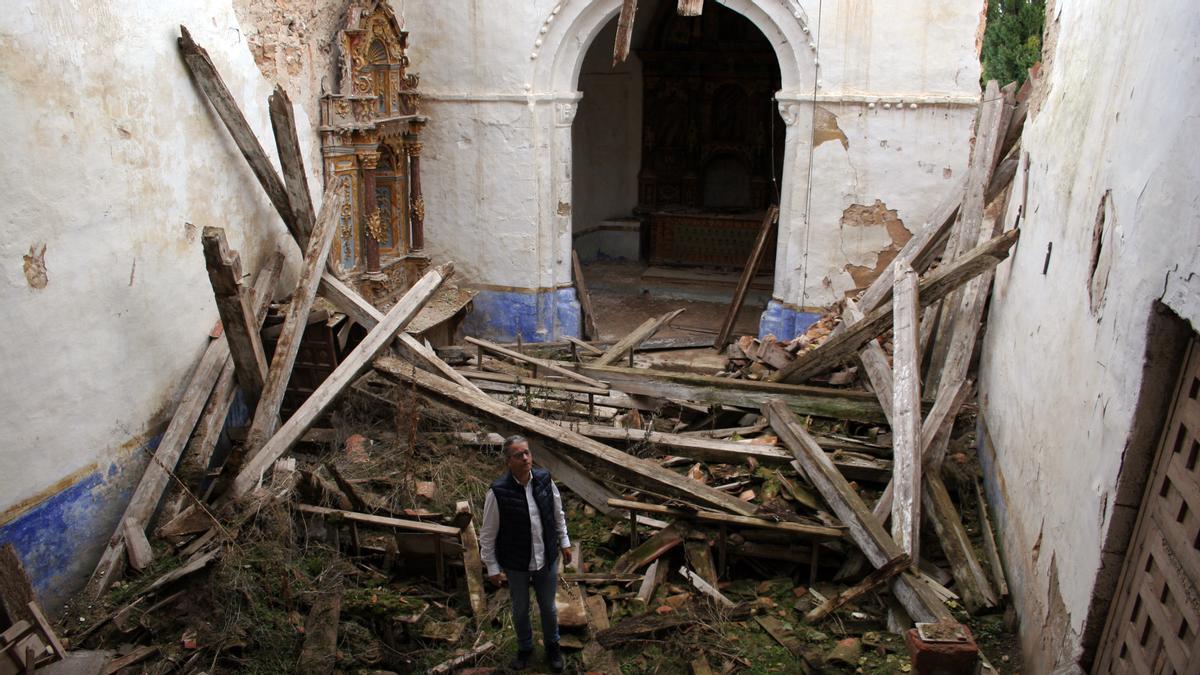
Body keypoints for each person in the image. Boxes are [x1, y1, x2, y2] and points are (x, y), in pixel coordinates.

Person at [479, 435, 572, 672]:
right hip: (516, 562)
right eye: (518, 455)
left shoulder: (544, 480)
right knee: (520, 608)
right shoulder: (498, 492)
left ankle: (553, 646)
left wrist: (564, 542)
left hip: (547, 556)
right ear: (508, 461)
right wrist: (492, 567)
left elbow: (557, 514)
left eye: (527, 453)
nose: (525, 458)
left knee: (548, 607)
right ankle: (525, 648)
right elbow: (488, 535)